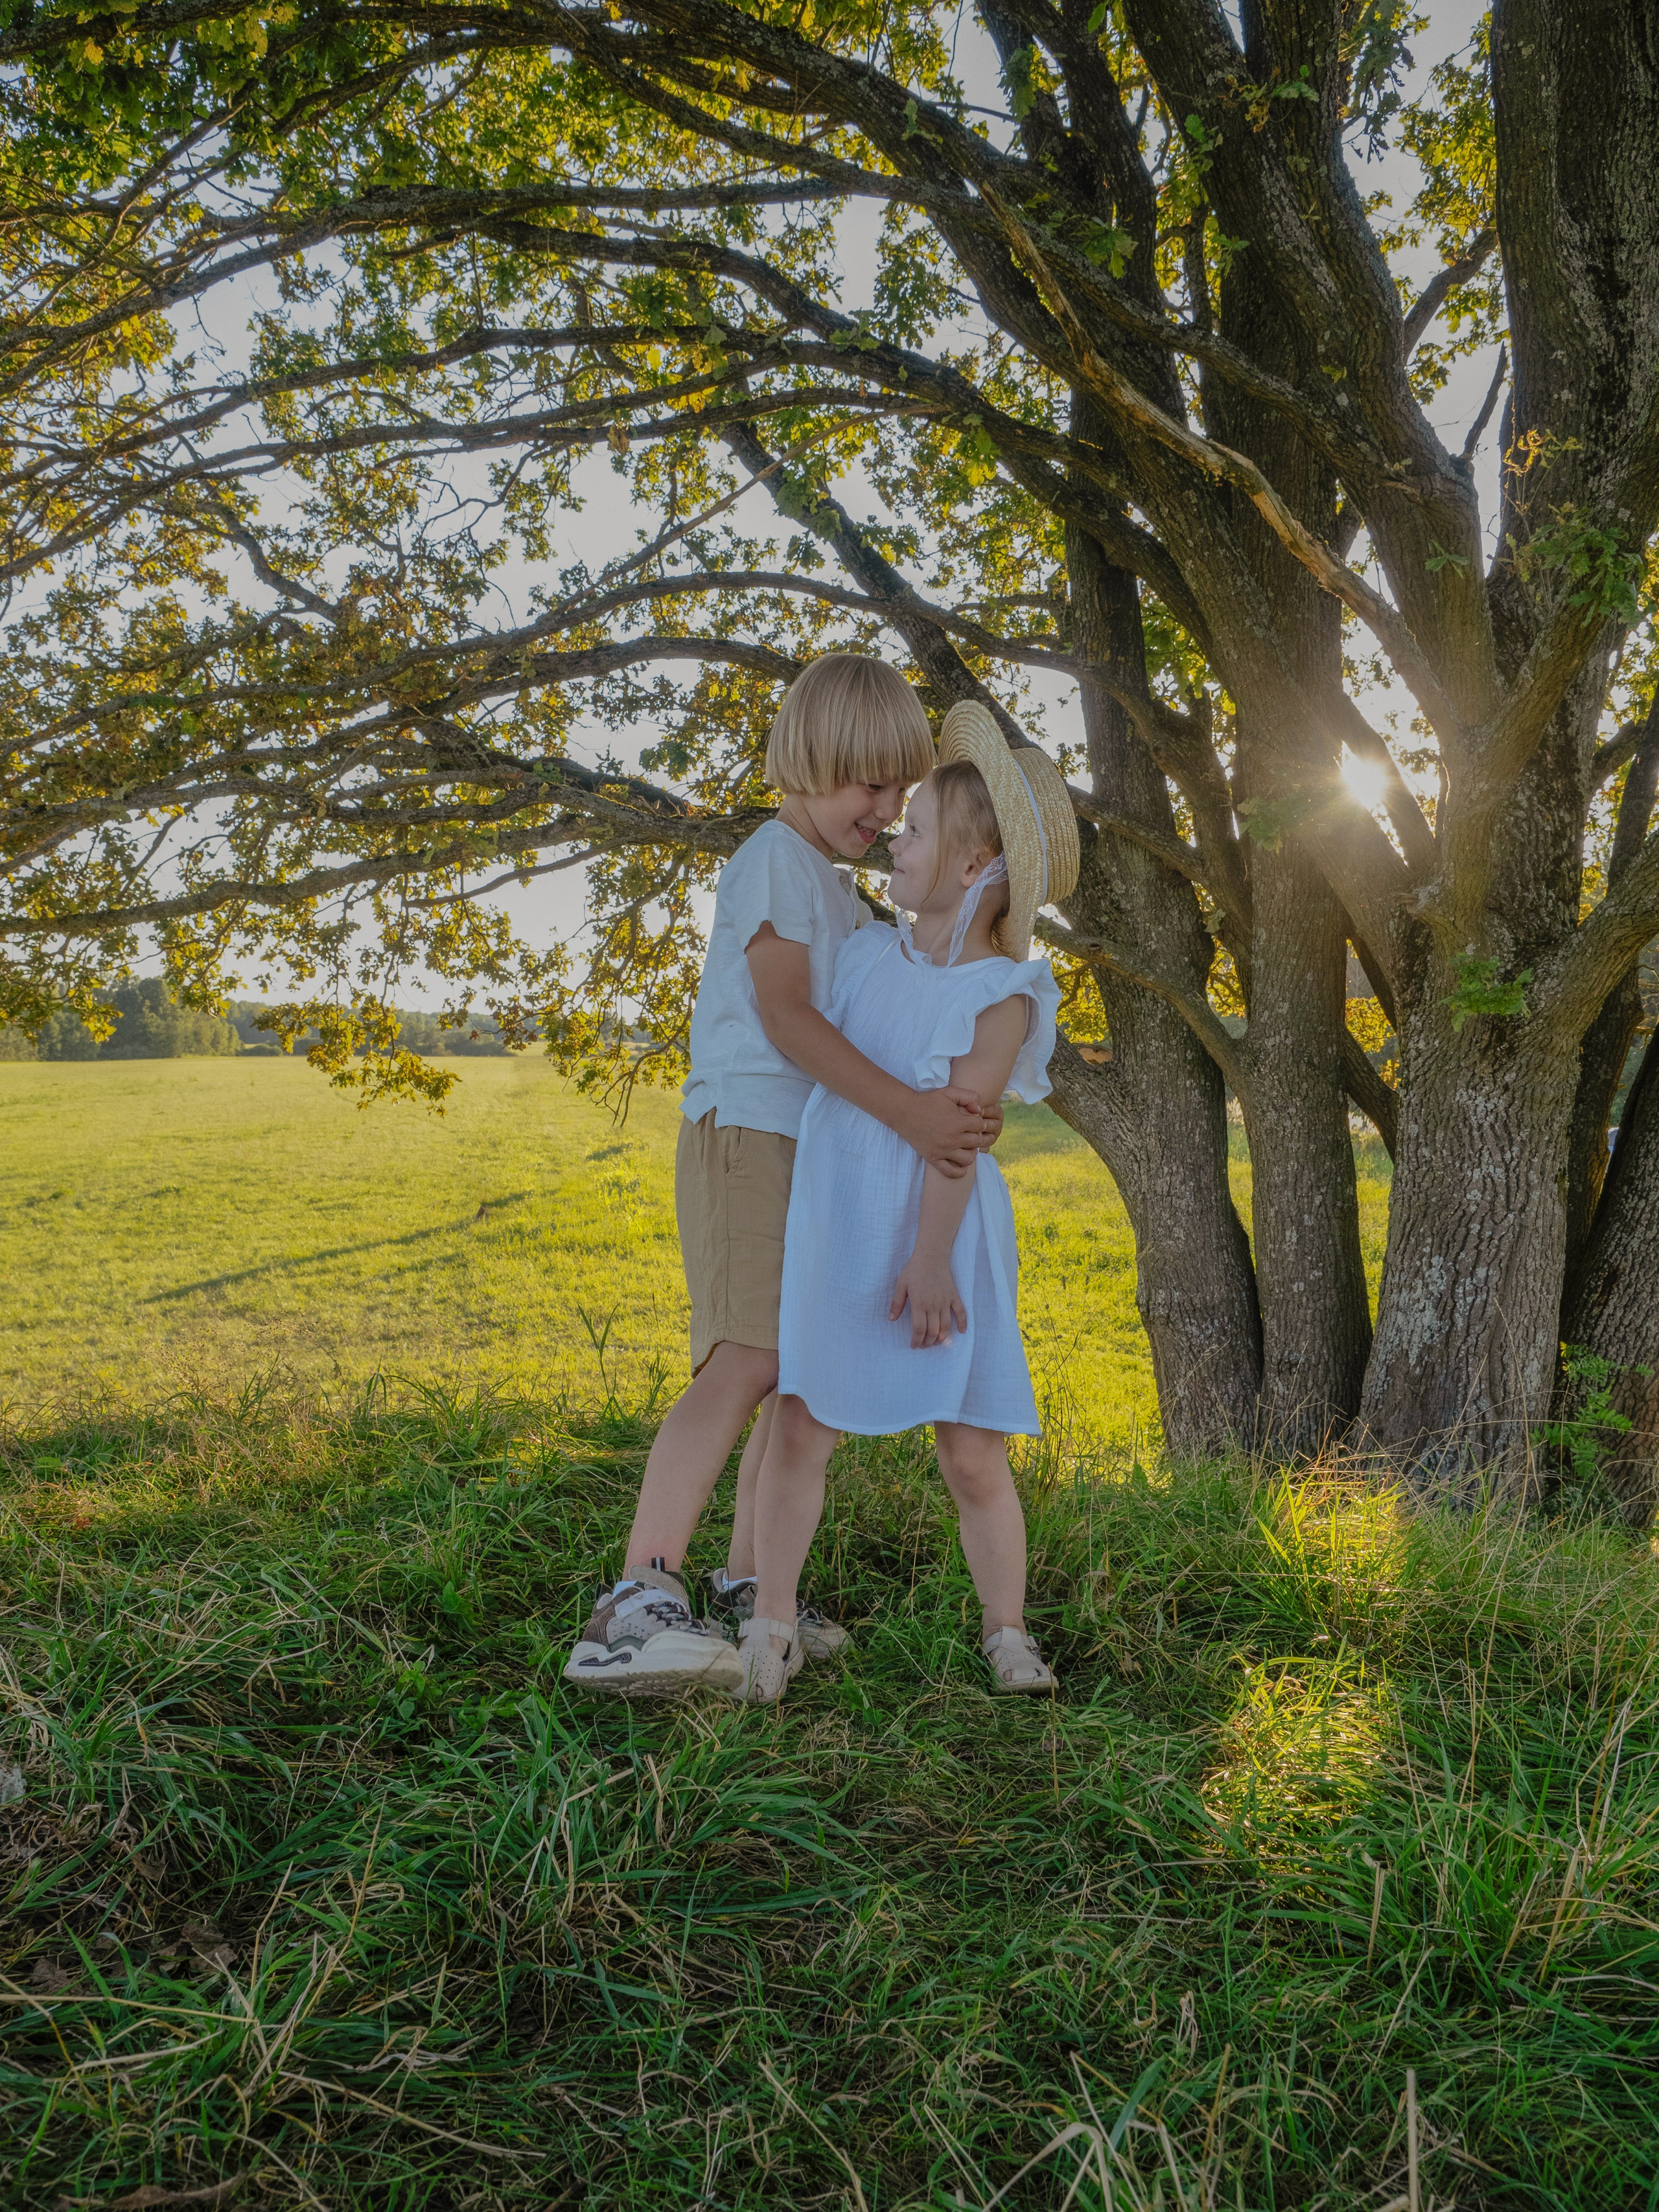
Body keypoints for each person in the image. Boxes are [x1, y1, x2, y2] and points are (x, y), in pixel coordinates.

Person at [563, 657, 1001, 1697]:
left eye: (901, 792)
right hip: (749, 1128)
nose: (886, 812)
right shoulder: (772, 860)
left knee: (799, 1369)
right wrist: (909, 1116)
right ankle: (635, 1598)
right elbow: (789, 1018)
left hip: (810, 1148)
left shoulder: (844, 897)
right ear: (811, 761)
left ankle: (748, 1582)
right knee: (746, 1356)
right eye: (870, 785)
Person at [734, 701, 1080, 1705]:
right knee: (802, 1421)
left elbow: (959, 1139)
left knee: (972, 1452)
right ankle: (769, 1620)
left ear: (975, 867)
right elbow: (806, 1033)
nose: (896, 836)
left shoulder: (1000, 994)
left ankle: (1007, 1631)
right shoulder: (862, 954)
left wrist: (930, 1262)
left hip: (942, 1233)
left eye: (917, 829)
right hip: (844, 1217)